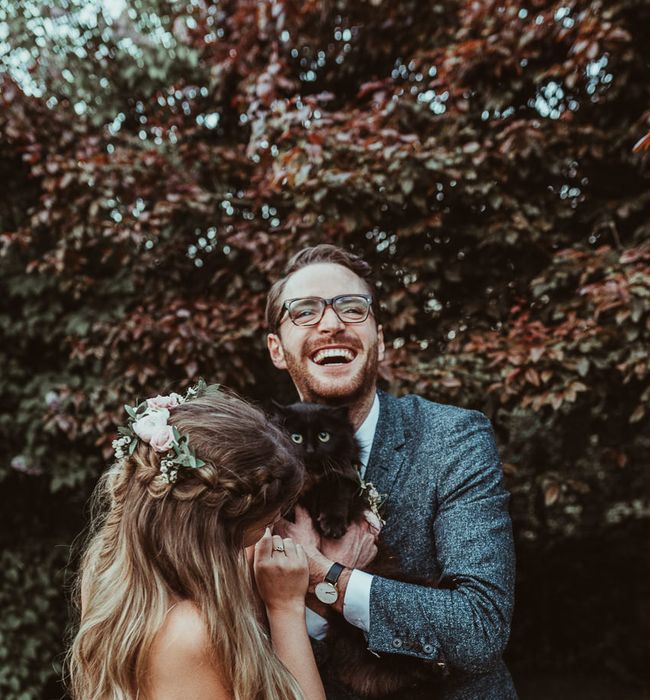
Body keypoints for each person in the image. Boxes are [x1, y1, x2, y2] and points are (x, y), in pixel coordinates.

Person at [265, 245, 517, 699]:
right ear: (277, 349)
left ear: (379, 336)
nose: (331, 323)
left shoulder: (452, 437)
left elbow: (480, 627)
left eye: (351, 307)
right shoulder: (246, 460)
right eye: (304, 311)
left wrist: (326, 574)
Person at [67, 383, 349, 700]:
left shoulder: (112, 568)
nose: (276, 524)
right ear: (220, 529)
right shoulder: (190, 633)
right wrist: (285, 607)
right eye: (270, 517)